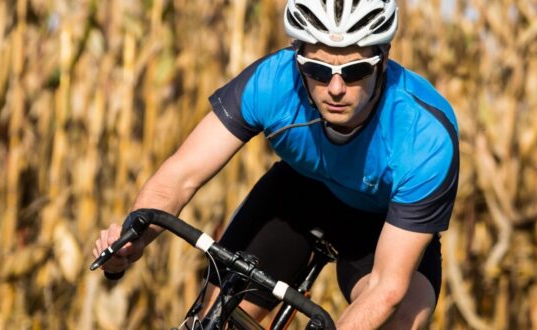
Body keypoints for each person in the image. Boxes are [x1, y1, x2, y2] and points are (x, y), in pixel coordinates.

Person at [90, 0, 458, 328]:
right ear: (296, 58)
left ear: (385, 60)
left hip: (382, 225)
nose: (334, 87)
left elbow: (387, 287)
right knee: (219, 316)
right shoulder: (273, 83)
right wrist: (130, 242)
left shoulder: (425, 136)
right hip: (295, 199)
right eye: (316, 69)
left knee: (406, 315)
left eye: (355, 71)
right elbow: (182, 175)